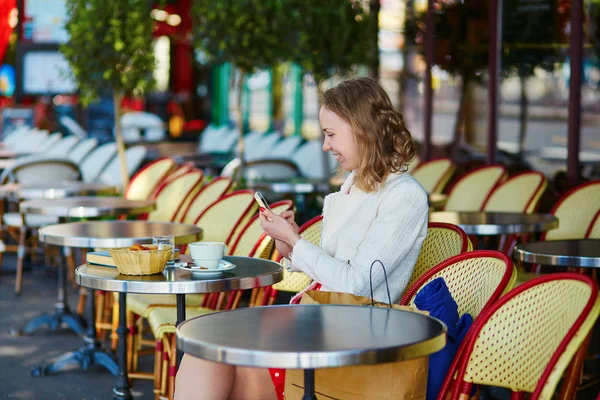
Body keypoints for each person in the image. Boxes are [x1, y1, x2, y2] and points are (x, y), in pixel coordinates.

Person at [175, 77, 429, 400]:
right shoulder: (355, 184)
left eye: (331, 134)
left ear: (362, 129)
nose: (325, 146)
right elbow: (331, 270)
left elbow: (353, 284)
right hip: (317, 322)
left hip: (352, 340)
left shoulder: (404, 196)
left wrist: (297, 244)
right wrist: (289, 248)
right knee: (209, 349)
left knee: (223, 353)